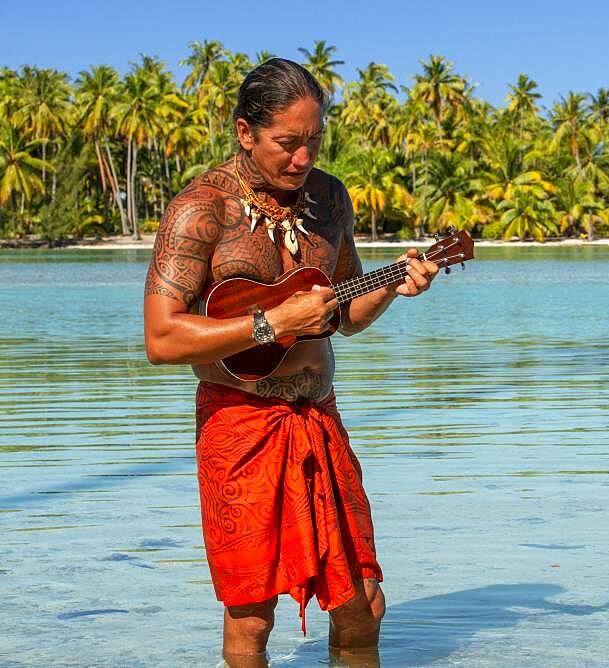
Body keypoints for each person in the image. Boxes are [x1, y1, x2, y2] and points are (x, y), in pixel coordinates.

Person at [143, 58, 439, 667]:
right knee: (251, 615)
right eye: (287, 143)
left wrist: (392, 288)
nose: (303, 159)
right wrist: (270, 324)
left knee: (362, 601)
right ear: (245, 133)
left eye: (314, 142)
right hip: (240, 425)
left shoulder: (330, 200)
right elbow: (161, 339)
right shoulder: (202, 209)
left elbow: (345, 314)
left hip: (319, 418)